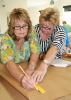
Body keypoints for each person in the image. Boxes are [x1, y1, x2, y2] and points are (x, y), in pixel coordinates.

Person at [0, 8, 40, 89]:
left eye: (24, 26)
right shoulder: (5, 38)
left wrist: (31, 68)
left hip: (24, 66)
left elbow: (35, 51)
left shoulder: (31, 32)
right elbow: (9, 63)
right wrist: (22, 79)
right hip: (7, 72)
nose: (21, 30)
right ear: (12, 27)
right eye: (17, 27)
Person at [30, 7, 66, 85]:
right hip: (36, 63)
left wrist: (44, 64)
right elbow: (32, 49)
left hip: (53, 65)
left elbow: (55, 47)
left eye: (49, 28)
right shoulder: (35, 29)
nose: (45, 30)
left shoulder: (60, 30)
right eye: (42, 26)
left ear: (55, 25)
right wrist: (40, 58)